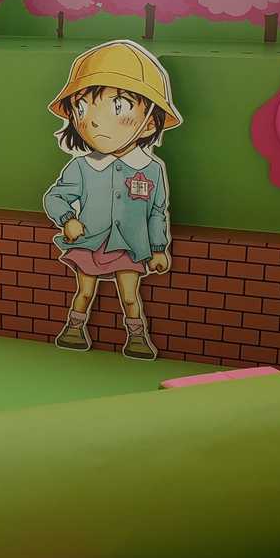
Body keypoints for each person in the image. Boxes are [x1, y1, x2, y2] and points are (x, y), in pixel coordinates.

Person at [43, 40, 182, 359]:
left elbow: (157, 212)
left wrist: (158, 248)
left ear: (149, 123)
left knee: (130, 297)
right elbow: (55, 197)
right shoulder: (82, 166)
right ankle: (74, 329)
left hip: (130, 245)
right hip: (89, 242)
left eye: (118, 107)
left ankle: (137, 337)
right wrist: (67, 219)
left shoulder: (151, 169)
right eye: (82, 108)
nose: (93, 122)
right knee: (84, 292)